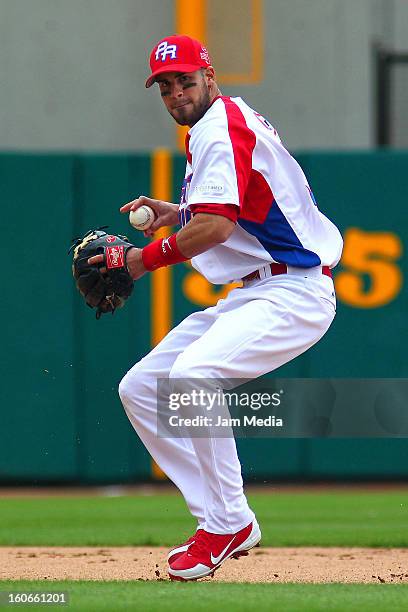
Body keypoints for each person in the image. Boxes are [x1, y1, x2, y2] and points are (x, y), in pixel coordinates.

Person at [102, 34, 343, 581]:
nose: (176, 93)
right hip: (255, 291)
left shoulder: (220, 127)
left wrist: (141, 260)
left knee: (192, 376)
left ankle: (227, 522)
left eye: (185, 80)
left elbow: (219, 226)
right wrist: (177, 211)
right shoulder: (217, 127)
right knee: (141, 388)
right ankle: (220, 516)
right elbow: (229, 207)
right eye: (165, 86)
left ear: (209, 76)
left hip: (294, 289)